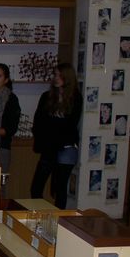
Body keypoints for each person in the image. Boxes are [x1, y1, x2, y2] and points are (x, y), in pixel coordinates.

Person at [30, 63, 83, 209]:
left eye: (60, 75)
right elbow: (39, 121)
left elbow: (71, 124)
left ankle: (59, 218)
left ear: (68, 77)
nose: (56, 78)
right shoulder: (46, 97)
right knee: (36, 186)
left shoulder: (75, 98)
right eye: (55, 74)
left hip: (66, 146)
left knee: (60, 187)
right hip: (49, 146)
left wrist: (52, 129)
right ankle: (39, 214)